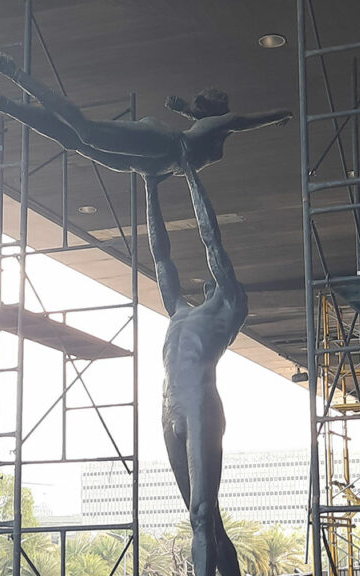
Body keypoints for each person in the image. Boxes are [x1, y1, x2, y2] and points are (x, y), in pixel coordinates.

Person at [0, 33, 292, 180]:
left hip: (148, 165)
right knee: (86, 131)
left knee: (73, 140)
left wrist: (186, 110)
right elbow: (251, 119)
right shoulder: (220, 124)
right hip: (162, 144)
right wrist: (285, 113)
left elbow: (213, 124)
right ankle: (11, 70)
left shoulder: (213, 129)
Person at [145, 152, 248, 576]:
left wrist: (190, 174)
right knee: (207, 518)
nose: (210, 278)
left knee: (201, 514)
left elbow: (211, 240)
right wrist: (150, 186)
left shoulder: (229, 307)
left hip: (201, 408)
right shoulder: (178, 310)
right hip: (169, 409)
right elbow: (160, 256)